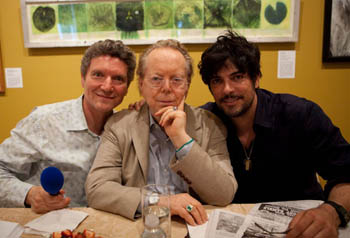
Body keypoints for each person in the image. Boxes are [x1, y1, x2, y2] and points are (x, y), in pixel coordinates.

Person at [198, 30, 350, 237]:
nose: (227, 89)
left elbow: (345, 172)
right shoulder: (204, 122)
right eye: (217, 81)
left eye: (238, 77)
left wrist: (331, 211)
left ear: (256, 78)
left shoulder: (301, 114)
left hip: (301, 231)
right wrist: (142, 108)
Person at [85, 39, 237, 226]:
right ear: (141, 84)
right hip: (143, 227)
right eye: (156, 79)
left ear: (187, 85)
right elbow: (97, 189)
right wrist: (162, 202)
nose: (166, 88)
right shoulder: (119, 125)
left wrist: (181, 139)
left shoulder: (209, 124)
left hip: (192, 226)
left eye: (176, 80)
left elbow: (224, 193)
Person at [0, 39, 136, 214]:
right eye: (98, 75)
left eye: (118, 79)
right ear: (82, 79)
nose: (107, 86)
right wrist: (30, 194)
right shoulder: (44, 121)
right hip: (49, 226)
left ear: (127, 88)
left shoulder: (125, 127)